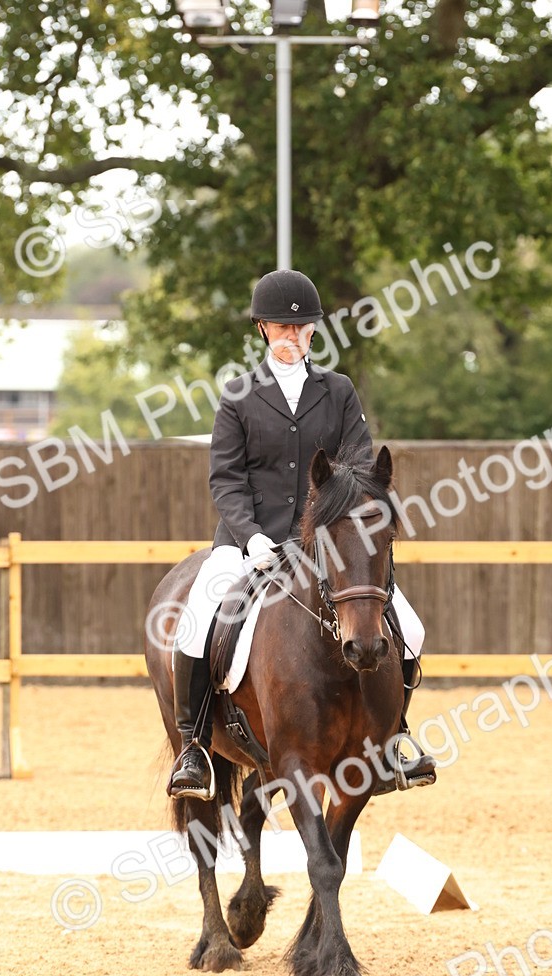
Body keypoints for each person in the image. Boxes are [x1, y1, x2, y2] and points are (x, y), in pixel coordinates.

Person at [168, 268, 436, 800]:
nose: (293, 338)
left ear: (313, 331)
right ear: (263, 330)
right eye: (281, 329)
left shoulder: (337, 392)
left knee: (411, 626)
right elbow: (226, 478)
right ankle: (194, 746)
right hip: (250, 542)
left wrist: (340, 529)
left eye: (303, 329)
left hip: (326, 546)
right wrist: (250, 538)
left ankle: (395, 738)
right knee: (197, 618)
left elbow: (359, 465)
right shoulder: (239, 397)